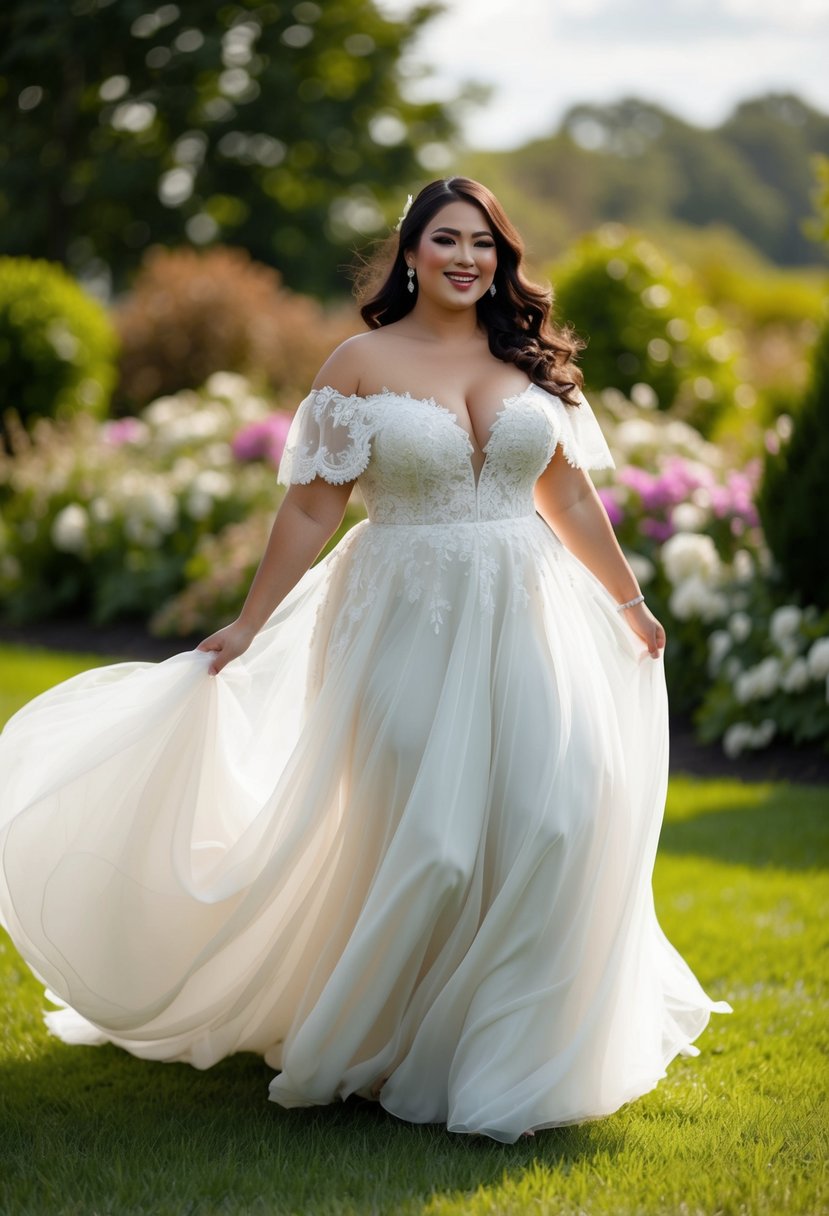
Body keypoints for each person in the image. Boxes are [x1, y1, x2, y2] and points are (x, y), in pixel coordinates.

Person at [0, 177, 730, 1144]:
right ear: (410, 253)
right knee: (426, 843)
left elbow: (569, 498)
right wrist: (249, 623)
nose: (465, 258)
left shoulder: (534, 369)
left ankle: (505, 1056)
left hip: (529, 614)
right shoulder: (359, 362)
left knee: (553, 821)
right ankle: (380, 1036)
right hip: (403, 618)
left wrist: (630, 604)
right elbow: (312, 503)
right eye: (444, 240)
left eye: (483, 243)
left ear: (502, 259)